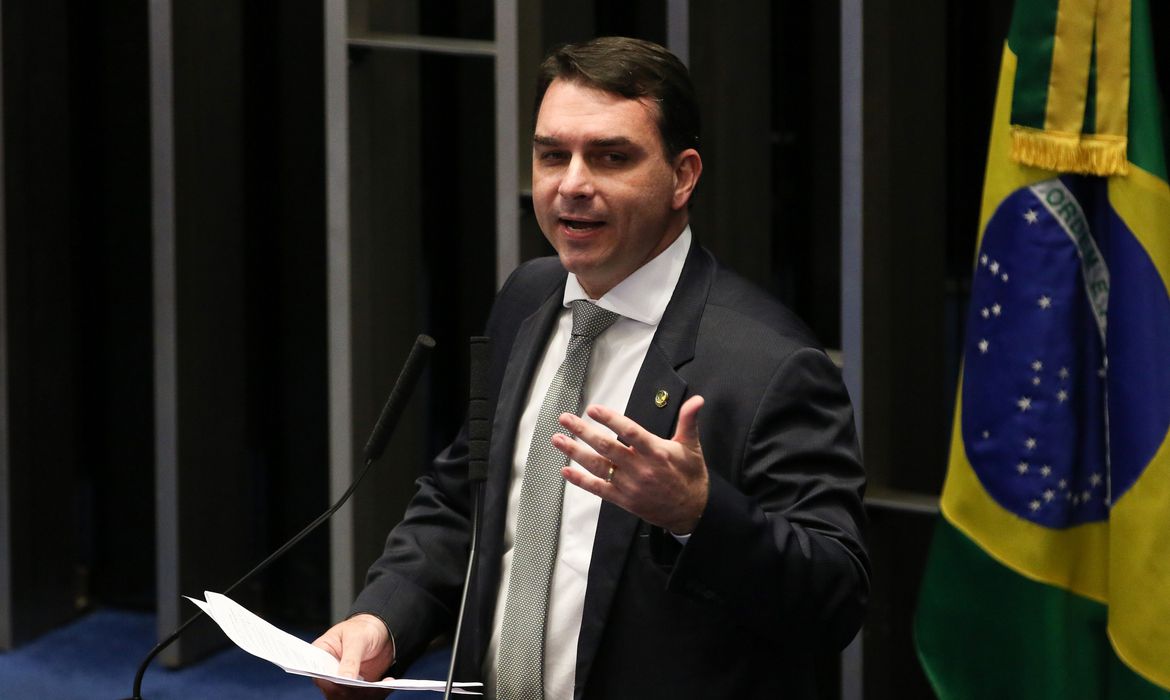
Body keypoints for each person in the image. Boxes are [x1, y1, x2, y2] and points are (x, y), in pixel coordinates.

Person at [313, 36, 868, 700]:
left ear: (683, 176)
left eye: (611, 157)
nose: (572, 184)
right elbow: (466, 499)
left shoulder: (770, 364)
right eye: (553, 155)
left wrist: (696, 514)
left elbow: (835, 595)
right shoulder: (526, 298)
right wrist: (384, 618)